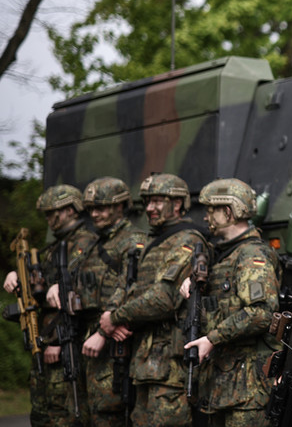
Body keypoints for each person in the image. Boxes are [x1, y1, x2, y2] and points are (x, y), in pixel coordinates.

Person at [99, 173, 207, 427]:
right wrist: (110, 317)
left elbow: (164, 298)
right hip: (145, 362)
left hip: (171, 366)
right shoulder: (150, 242)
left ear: (177, 203)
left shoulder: (188, 240)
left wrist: (116, 317)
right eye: (147, 201)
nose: (149, 208)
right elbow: (127, 287)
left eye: (157, 201)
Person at [180, 178, 280, 426]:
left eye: (211, 210)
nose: (206, 217)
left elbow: (261, 312)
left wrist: (213, 338)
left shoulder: (251, 255)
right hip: (223, 386)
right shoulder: (222, 254)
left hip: (247, 390)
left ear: (228, 212)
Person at [4, 184, 97, 427]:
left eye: (52, 212)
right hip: (46, 339)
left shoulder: (86, 243)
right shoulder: (55, 247)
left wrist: (56, 339)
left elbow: (83, 295)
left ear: (70, 210)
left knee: (64, 413)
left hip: (66, 342)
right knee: (43, 412)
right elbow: (40, 287)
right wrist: (18, 277)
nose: (48, 218)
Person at [66, 177, 146, 427]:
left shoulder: (132, 241)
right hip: (86, 336)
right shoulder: (92, 243)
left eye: (101, 207)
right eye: (91, 208)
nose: (94, 214)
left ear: (120, 206)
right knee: (85, 412)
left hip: (114, 341)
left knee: (108, 412)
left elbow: (132, 287)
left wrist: (104, 329)